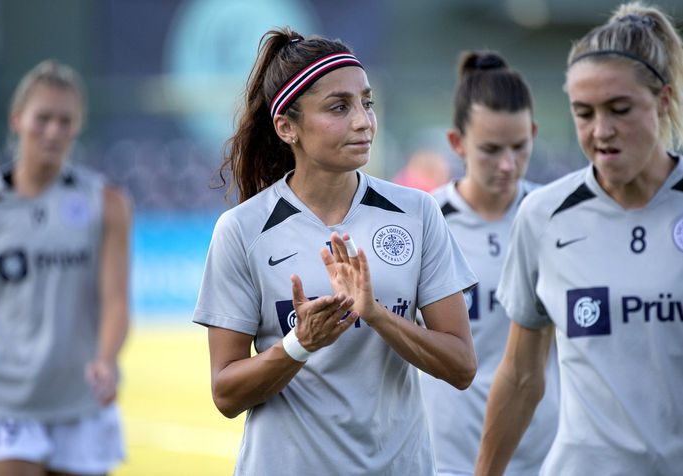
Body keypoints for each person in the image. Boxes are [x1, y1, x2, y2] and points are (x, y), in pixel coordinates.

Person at [194, 27, 478, 475]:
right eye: (338, 108)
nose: (363, 121)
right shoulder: (242, 230)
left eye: (367, 103)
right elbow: (226, 393)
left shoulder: (417, 212)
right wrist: (300, 344)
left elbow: (461, 366)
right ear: (287, 127)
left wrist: (379, 315)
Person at [474, 2, 683, 475]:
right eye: (583, 113)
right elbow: (522, 375)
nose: (600, 131)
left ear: (664, 100)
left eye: (620, 109)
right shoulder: (544, 215)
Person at [0, 60, 131, 475]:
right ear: (17, 119)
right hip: (6, 398)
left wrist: (107, 359)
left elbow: (115, 299)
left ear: (78, 126)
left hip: (81, 397)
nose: (54, 131)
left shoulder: (105, 203)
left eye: (66, 120)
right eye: (43, 118)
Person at [420, 51, 559, 476]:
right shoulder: (423, 223)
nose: (507, 164)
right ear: (457, 144)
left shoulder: (556, 218)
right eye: (491, 149)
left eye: (520, 147)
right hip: (446, 462)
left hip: (544, 460)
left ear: (534, 132)